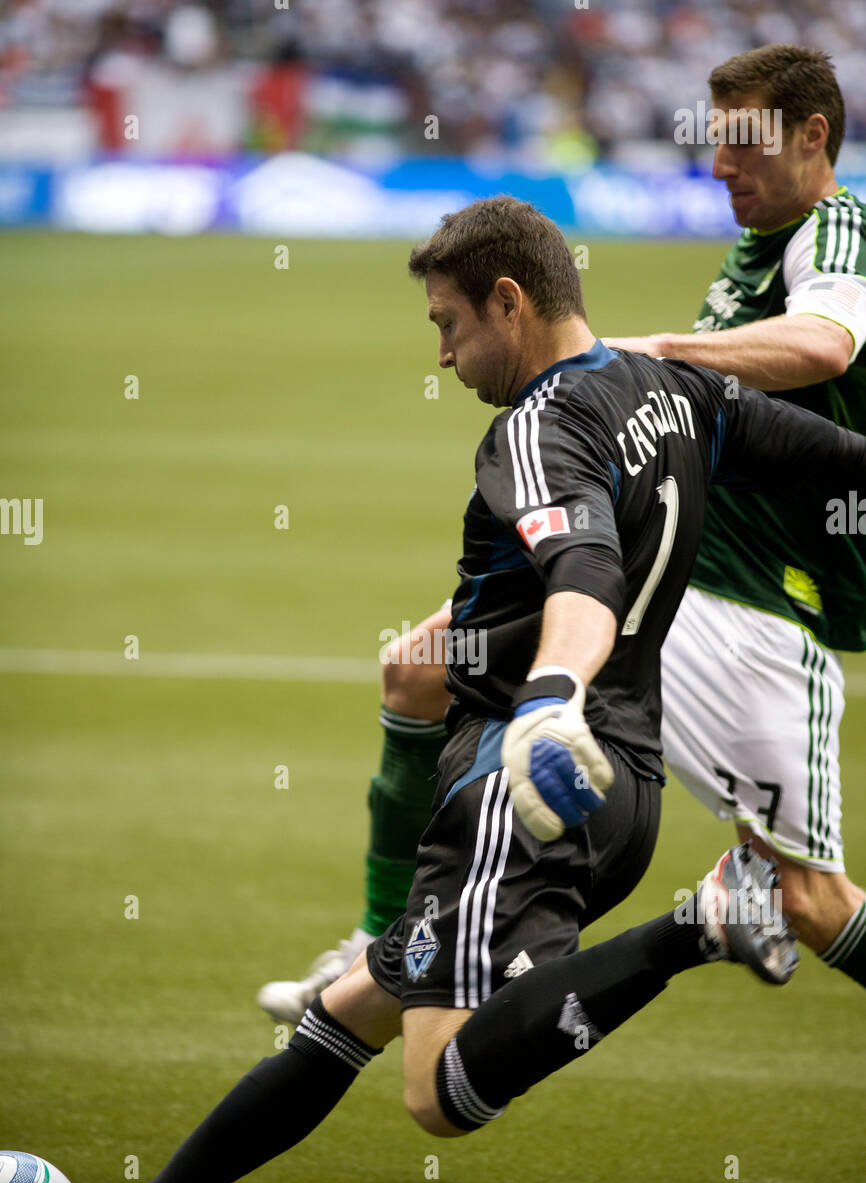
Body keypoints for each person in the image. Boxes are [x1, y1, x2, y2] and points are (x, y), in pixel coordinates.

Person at [76, 194, 864, 1183]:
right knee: (345, 1009)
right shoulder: (680, 392)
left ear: (510, 299)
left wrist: (545, 697)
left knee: (437, 1093)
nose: (443, 356)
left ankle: (704, 921)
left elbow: (582, 572)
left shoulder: (540, 425)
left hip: (524, 781)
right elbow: (839, 462)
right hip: (618, 784)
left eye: (449, 324)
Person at [259, 44, 866, 1023]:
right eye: (712, 146)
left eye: (740, 146)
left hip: (747, 608)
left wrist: (654, 353)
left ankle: (400, 990)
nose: (717, 168)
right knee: (419, 666)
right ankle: (385, 941)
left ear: (812, 136)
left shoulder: (831, 230)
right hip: (674, 562)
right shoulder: (761, 243)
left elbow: (822, 342)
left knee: (805, 898)